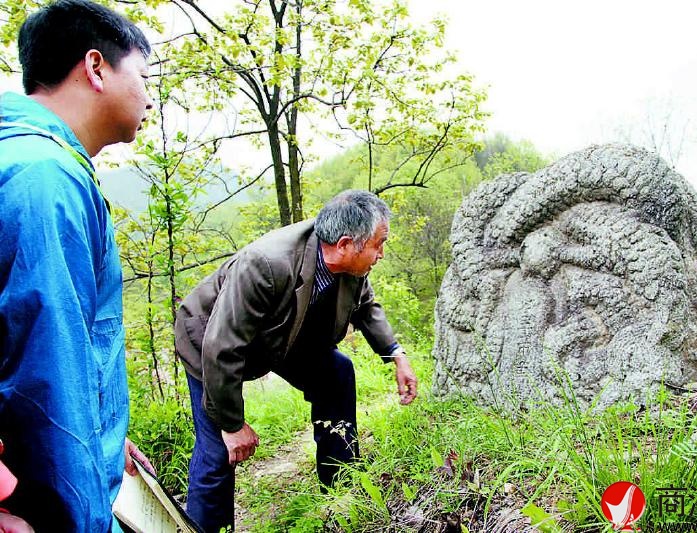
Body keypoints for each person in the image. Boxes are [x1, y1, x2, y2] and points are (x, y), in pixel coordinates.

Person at [175, 189, 418, 532]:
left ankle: (341, 494)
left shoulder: (351, 265)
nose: (380, 254)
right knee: (218, 452)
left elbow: (366, 306)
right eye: (378, 244)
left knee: (337, 373)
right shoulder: (266, 263)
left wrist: (396, 355)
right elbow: (222, 347)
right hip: (209, 344)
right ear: (346, 244)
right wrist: (232, 424)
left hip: (281, 336)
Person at [0, 1, 155, 530]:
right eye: (143, 76)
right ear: (96, 68)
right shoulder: (45, 179)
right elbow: (46, 377)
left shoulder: (29, 164)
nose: (149, 99)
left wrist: (108, 436)